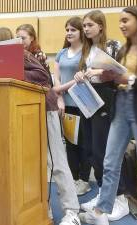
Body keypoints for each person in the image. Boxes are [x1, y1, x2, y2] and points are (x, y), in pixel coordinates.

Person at [79, 6, 137, 225]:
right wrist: (107, 78)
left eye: (125, 20)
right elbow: (117, 80)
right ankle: (102, 213)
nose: (121, 25)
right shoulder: (123, 51)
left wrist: (129, 81)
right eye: (120, 21)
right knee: (110, 162)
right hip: (120, 108)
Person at [0, 27, 81, 225]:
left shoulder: (22, 55)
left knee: (57, 161)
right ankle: (42, 208)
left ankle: (72, 211)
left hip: (45, 109)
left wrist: (14, 72)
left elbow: (42, 77)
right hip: (23, 112)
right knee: (32, 166)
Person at [74, 10, 129, 221]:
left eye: (89, 25)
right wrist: (80, 74)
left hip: (107, 100)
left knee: (107, 151)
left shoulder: (113, 46)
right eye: (84, 26)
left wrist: (98, 72)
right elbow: (83, 73)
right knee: (92, 151)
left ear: (100, 26)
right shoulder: (86, 50)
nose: (86, 29)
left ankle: (120, 197)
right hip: (88, 100)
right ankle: (103, 195)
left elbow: (121, 73)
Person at [53, 16, 92, 195]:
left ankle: (84, 180)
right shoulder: (62, 53)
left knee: (84, 144)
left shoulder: (88, 52)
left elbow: (82, 78)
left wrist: (60, 88)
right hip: (66, 105)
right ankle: (74, 179)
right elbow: (56, 79)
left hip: (83, 104)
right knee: (70, 144)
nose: (69, 33)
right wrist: (59, 97)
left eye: (73, 30)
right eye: (67, 29)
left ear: (81, 32)